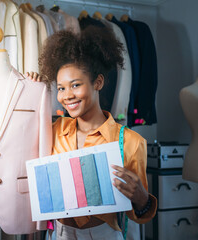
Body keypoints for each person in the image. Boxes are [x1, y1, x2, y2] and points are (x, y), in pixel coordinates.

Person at [28, 26, 157, 240]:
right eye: (61, 88)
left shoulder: (132, 142)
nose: (67, 96)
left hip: (104, 234)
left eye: (75, 85)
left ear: (97, 82)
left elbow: (139, 214)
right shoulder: (54, 130)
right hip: (59, 234)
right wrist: (30, 90)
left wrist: (142, 198)